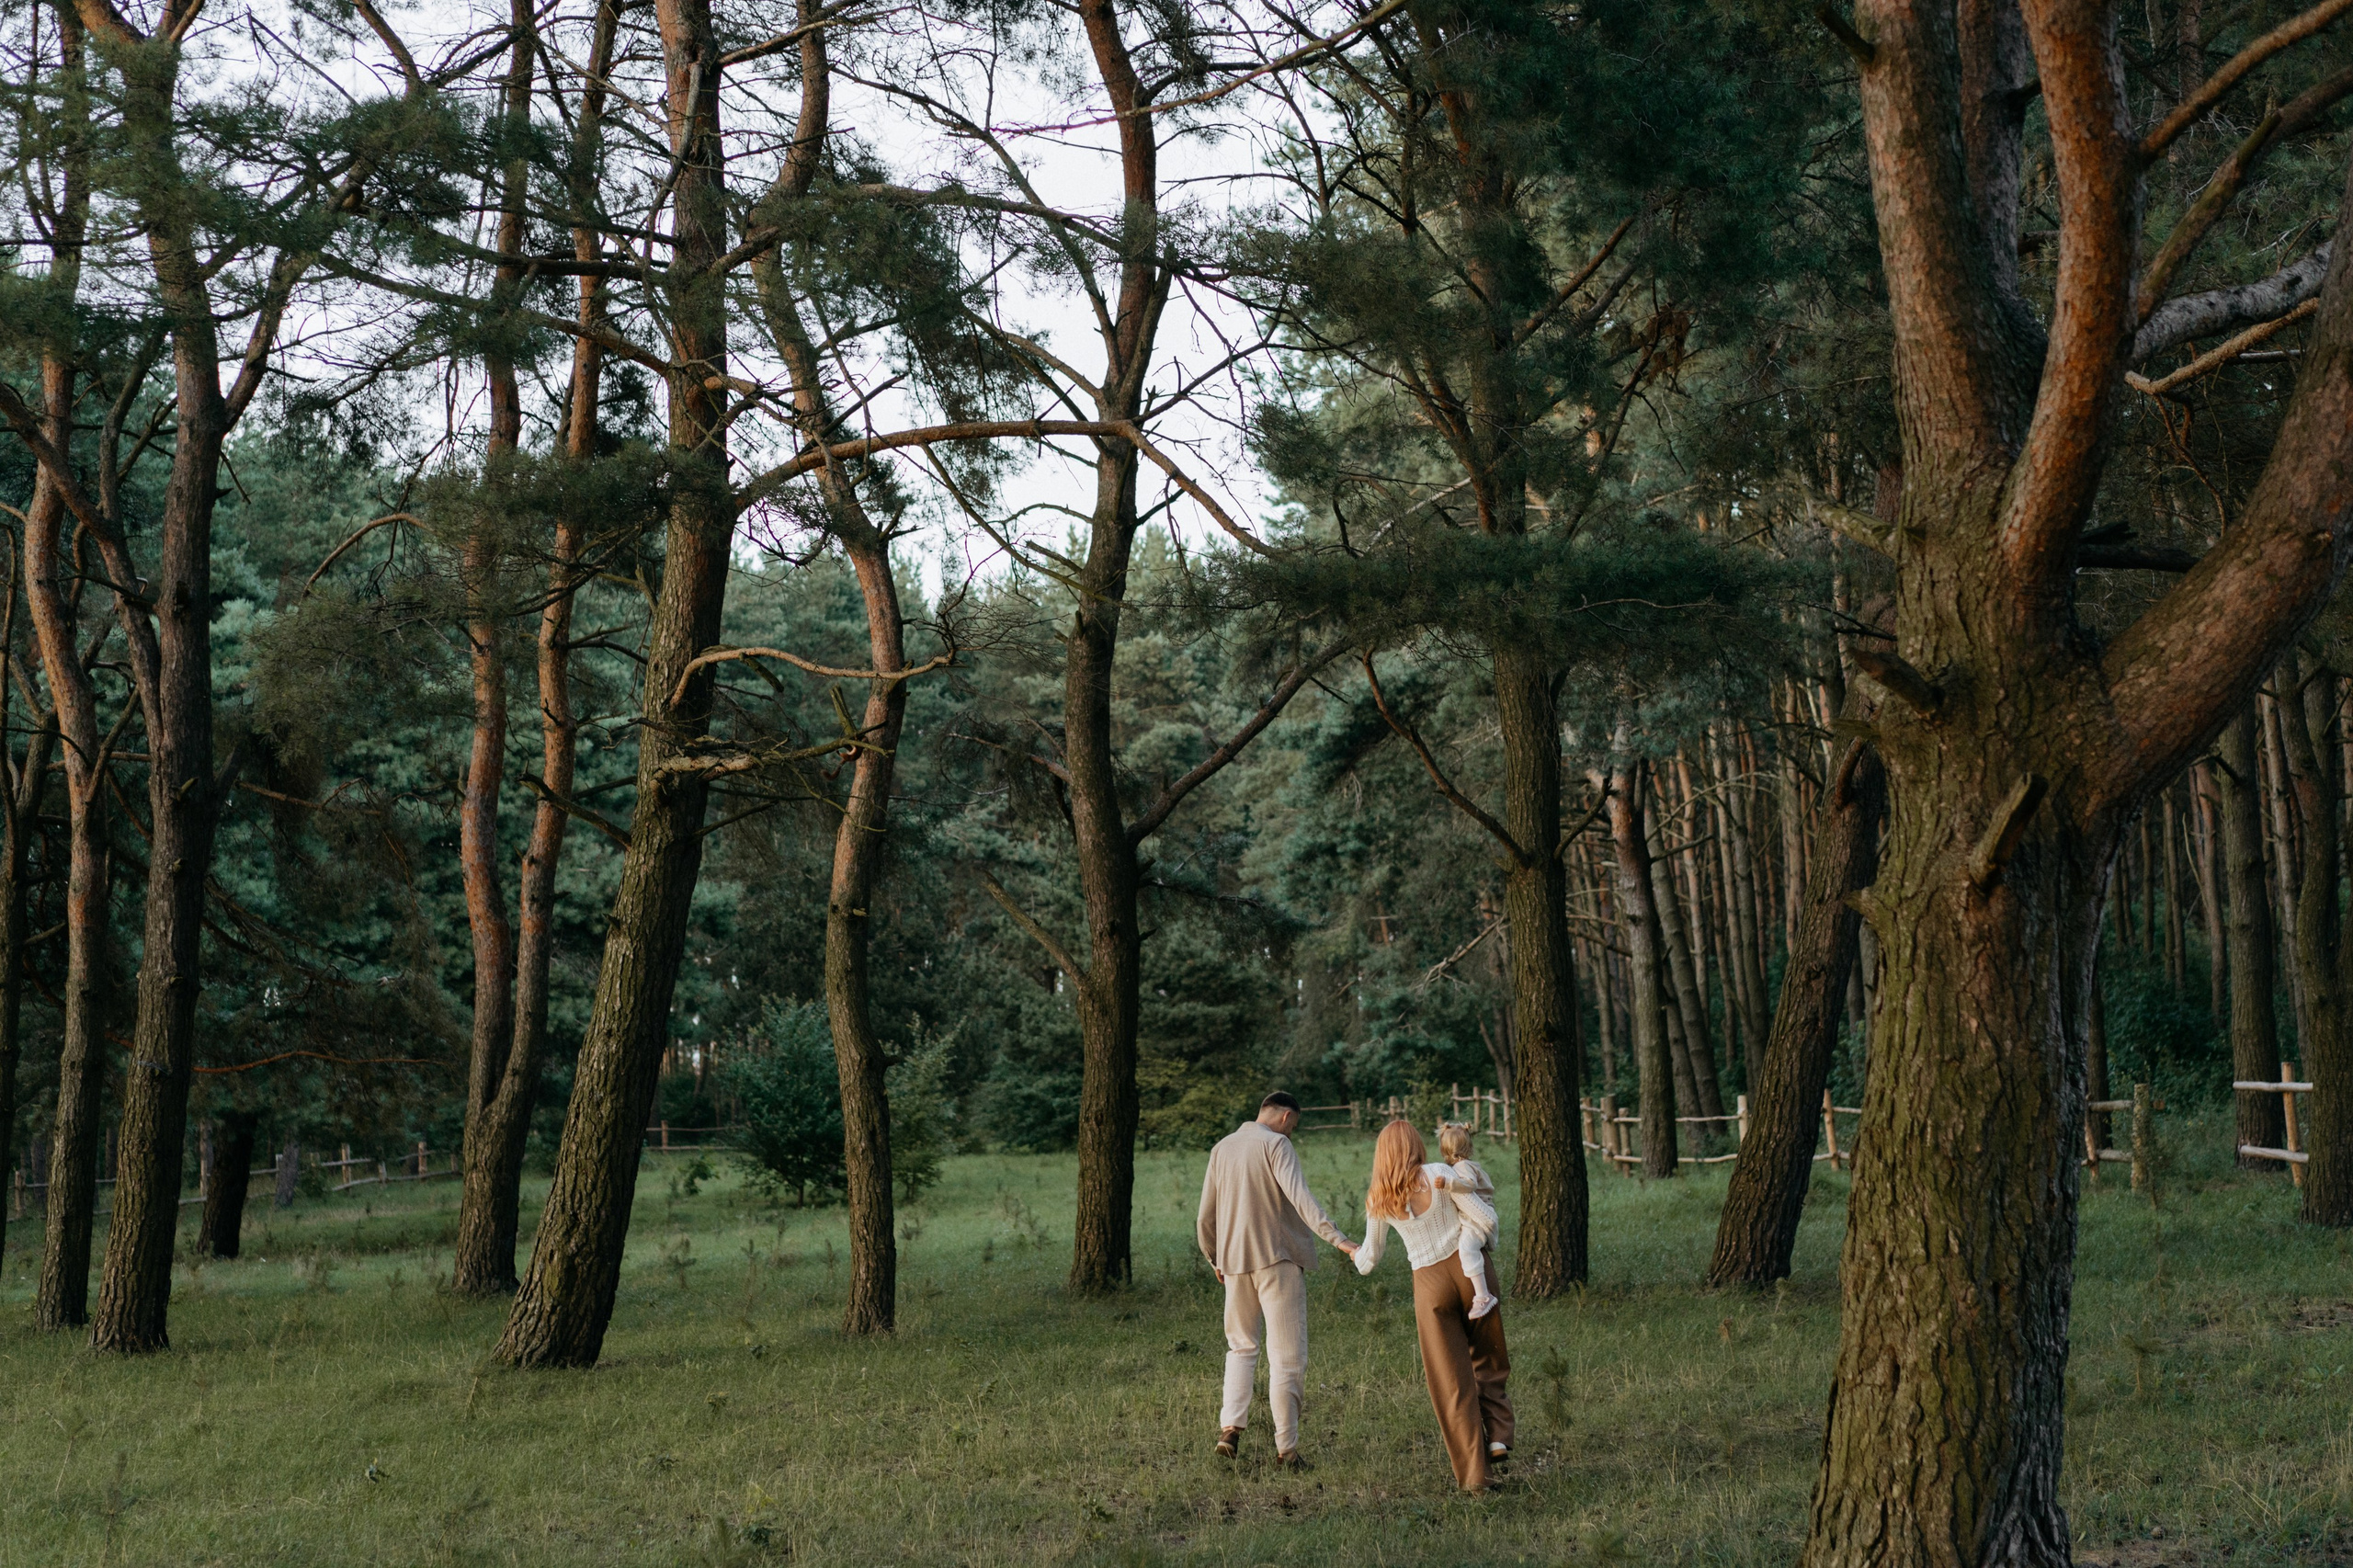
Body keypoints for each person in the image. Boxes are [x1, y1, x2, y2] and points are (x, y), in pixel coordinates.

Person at [1197, 1090, 1358, 1467]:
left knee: (1241, 1347)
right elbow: (1302, 1199)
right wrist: (1340, 1240)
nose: (1291, 1133)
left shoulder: (1222, 1148)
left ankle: (1230, 1430)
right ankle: (1286, 1449)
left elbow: (1205, 1215)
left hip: (1234, 1263)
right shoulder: (1276, 1145)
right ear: (1286, 1117)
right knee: (1287, 1356)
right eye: (1293, 1127)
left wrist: (1214, 1258)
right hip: (1277, 1259)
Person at [1355, 1119, 1514, 1491]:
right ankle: (1499, 1437)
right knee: (1489, 1357)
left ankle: (1476, 1478)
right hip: (1470, 1271)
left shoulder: (1378, 1198)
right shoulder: (1440, 1172)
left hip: (1430, 1288)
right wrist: (1486, 1237)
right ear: (1416, 1146)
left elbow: (1368, 1261)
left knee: (1451, 1381)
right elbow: (1483, 1216)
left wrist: (1350, 1250)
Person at [1437, 1122, 1501, 1320]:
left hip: (1477, 1217)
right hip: (1472, 1216)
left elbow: (1470, 1185)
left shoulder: (1463, 1166)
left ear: (1446, 1150)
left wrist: (1448, 1183)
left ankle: (1483, 1296)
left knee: (1467, 1249)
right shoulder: (1465, 1165)